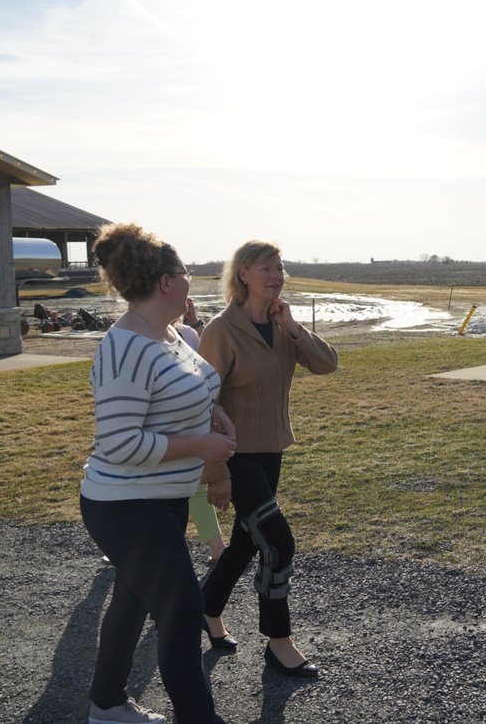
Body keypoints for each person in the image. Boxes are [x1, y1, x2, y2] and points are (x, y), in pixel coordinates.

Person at [81, 222, 236, 724]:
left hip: (160, 498)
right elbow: (121, 443)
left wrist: (212, 412)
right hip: (125, 506)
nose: (192, 279)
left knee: (132, 602)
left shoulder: (167, 333)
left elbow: (185, 387)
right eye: (186, 272)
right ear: (166, 282)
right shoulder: (125, 347)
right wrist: (201, 443)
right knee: (182, 610)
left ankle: (106, 706)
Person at [198, 240, 338, 679]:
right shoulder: (221, 330)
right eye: (265, 269)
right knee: (277, 543)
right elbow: (201, 402)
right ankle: (279, 642)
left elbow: (327, 365)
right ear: (242, 274)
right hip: (235, 453)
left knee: (244, 543)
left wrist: (294, 328)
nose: (276, 276)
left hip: (271, 450)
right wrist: (216, 472)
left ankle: (205, 610)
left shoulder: (281, 325)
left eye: (280, 268)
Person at [177, 299, 228, 564]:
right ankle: (218, 548)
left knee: (193, 487)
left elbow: (207, 362)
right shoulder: (139, 333)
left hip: (187, 419)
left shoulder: (185, 333)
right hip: (174, 422)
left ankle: (218, 548)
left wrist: (193, 318)